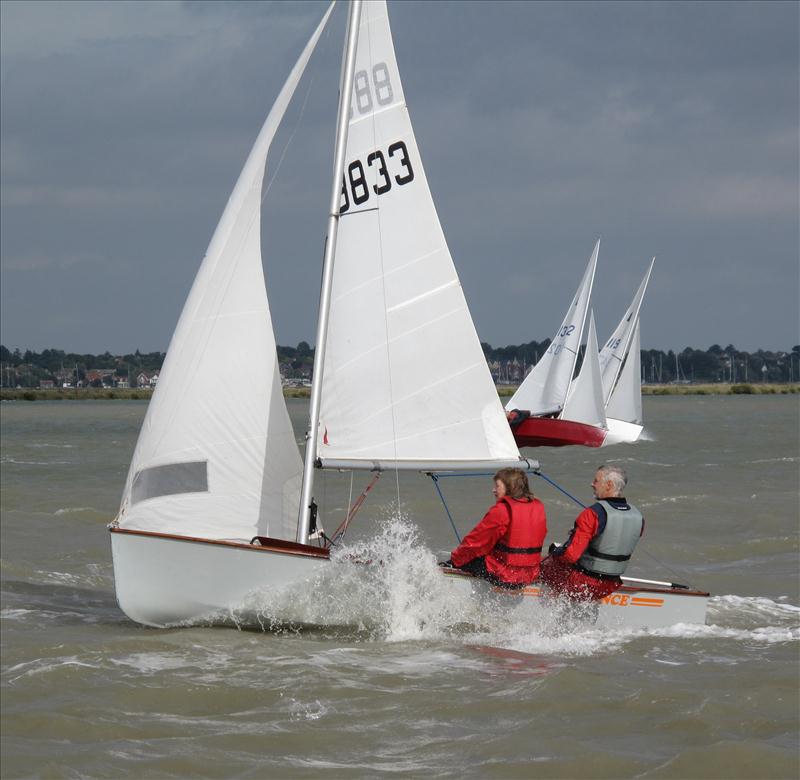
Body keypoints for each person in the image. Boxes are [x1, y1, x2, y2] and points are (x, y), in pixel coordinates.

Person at [539, 464, 644, 601]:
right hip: (611, 584)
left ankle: (546, 607)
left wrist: (555, 552)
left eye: (596, 481)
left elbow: (570, 556)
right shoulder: (638, 516)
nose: (592, 484)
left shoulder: (592, 514)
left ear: (609, 485)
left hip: (584, 582)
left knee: (541, 566)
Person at [440, 468, 547, 589]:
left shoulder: (502, 511)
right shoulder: (538, 507)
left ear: (510, 486)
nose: (493, 490)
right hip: (529, 575)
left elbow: (476, 542)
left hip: (506, 576)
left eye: (497, 486)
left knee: (461, 559)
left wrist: (454, 560)